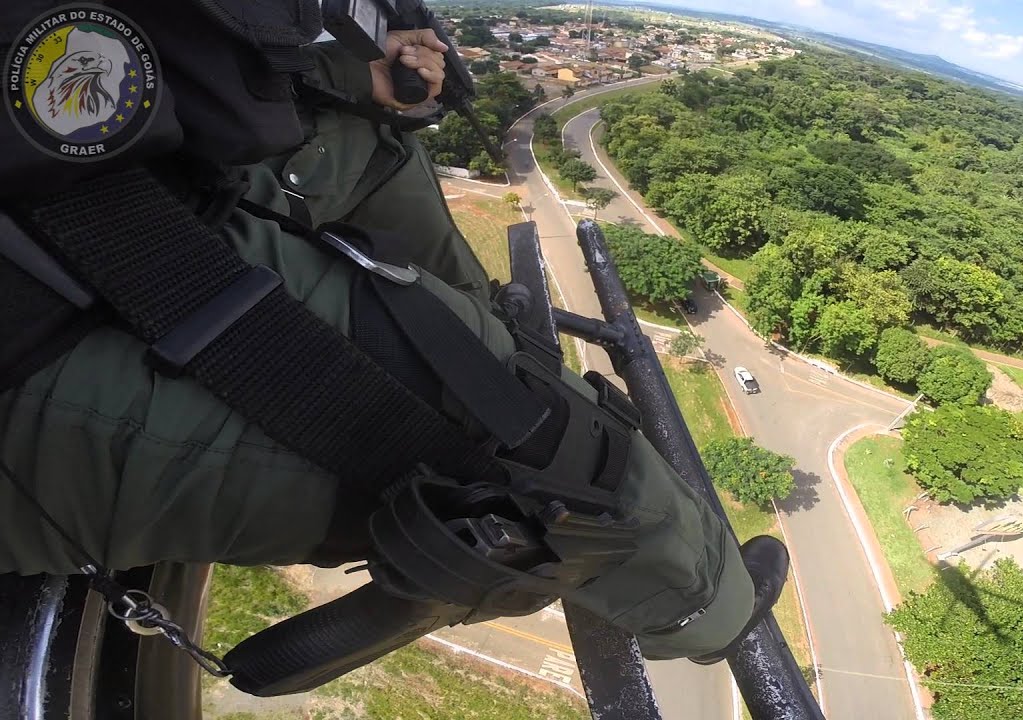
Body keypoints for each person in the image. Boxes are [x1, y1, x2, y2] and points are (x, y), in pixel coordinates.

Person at [0, 0, 787, 686]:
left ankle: (493, 345)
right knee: (552, 456)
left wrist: (359, 81)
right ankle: (705, 607)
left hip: (105, 187)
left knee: (381, 148)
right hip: (50, 301)